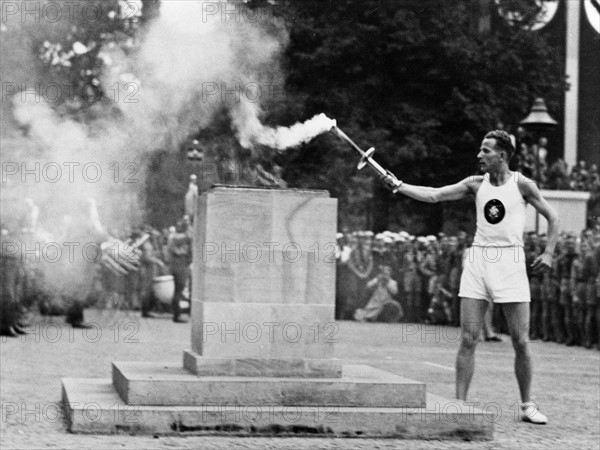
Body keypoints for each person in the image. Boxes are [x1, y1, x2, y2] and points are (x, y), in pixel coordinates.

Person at [382, 130, 559, 424]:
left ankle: (527, 405)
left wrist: (550, 253)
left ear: (502, 156)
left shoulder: (523, 185)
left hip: (511, 261)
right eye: (480, 150)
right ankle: (459, 405)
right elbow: (435, 194)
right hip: (478, 260)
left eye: (486, 151)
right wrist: (399, 186)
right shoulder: (474, 184)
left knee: (520, 340)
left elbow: (553, 216)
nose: (479, 156)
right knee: (467, 338)